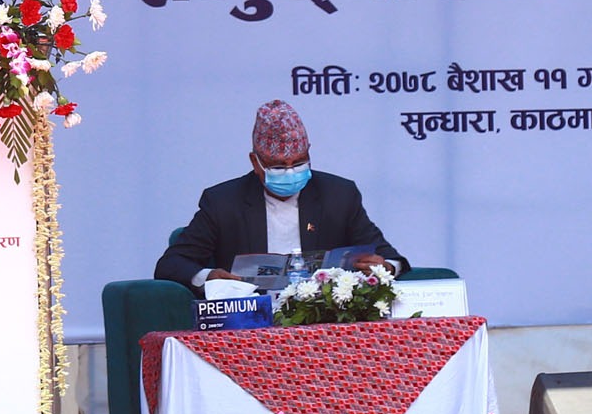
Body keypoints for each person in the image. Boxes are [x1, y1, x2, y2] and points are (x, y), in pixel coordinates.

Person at [154, 100, 409, 292]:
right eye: (278, 165)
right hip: (251, 322)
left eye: (299, 162)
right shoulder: (223, 202)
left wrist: (385, 267)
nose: (290, 172)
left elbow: (391, 257)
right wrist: (209, 277)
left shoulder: (339, 195)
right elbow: (172, 264)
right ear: (255, 162)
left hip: (323, 317)